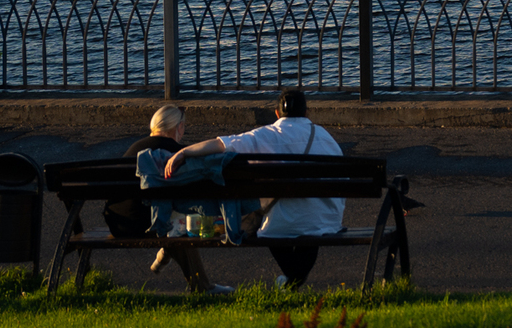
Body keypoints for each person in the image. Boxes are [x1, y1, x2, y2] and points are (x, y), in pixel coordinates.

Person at [165, 87, 345, 287]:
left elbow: (221, 145)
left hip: (278, 226)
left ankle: (293, 280)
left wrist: (183, 152)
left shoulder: (264, 135)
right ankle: (293, 281)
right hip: (325, 219)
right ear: (306, 113)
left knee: (270, 221)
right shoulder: (324, 136)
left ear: (277, 114)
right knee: (309, 219)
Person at [102, 105, 227, 294]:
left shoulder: (135, 148)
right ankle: (203, 287)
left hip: (118, 223)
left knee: (171, 218)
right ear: (179, 127)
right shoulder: (177, 153)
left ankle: (167, 253)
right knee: (188, 224)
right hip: (145, 224)